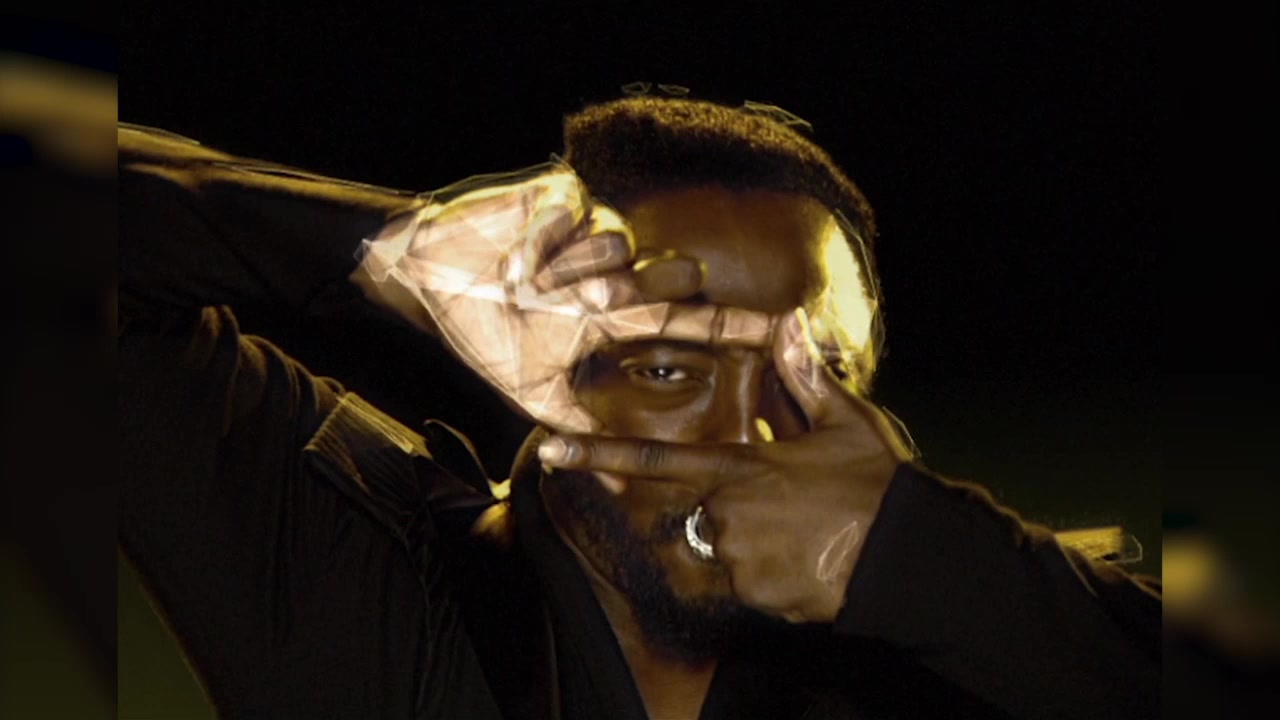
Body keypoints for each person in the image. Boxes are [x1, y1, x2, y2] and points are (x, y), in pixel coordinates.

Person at [119, 96, 1160, 719]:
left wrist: (918, 561)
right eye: (669, 368)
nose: (749, 434)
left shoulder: (980, 629)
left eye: (814, 374)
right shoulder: (356, 573)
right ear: (545, 372)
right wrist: (378, 250)